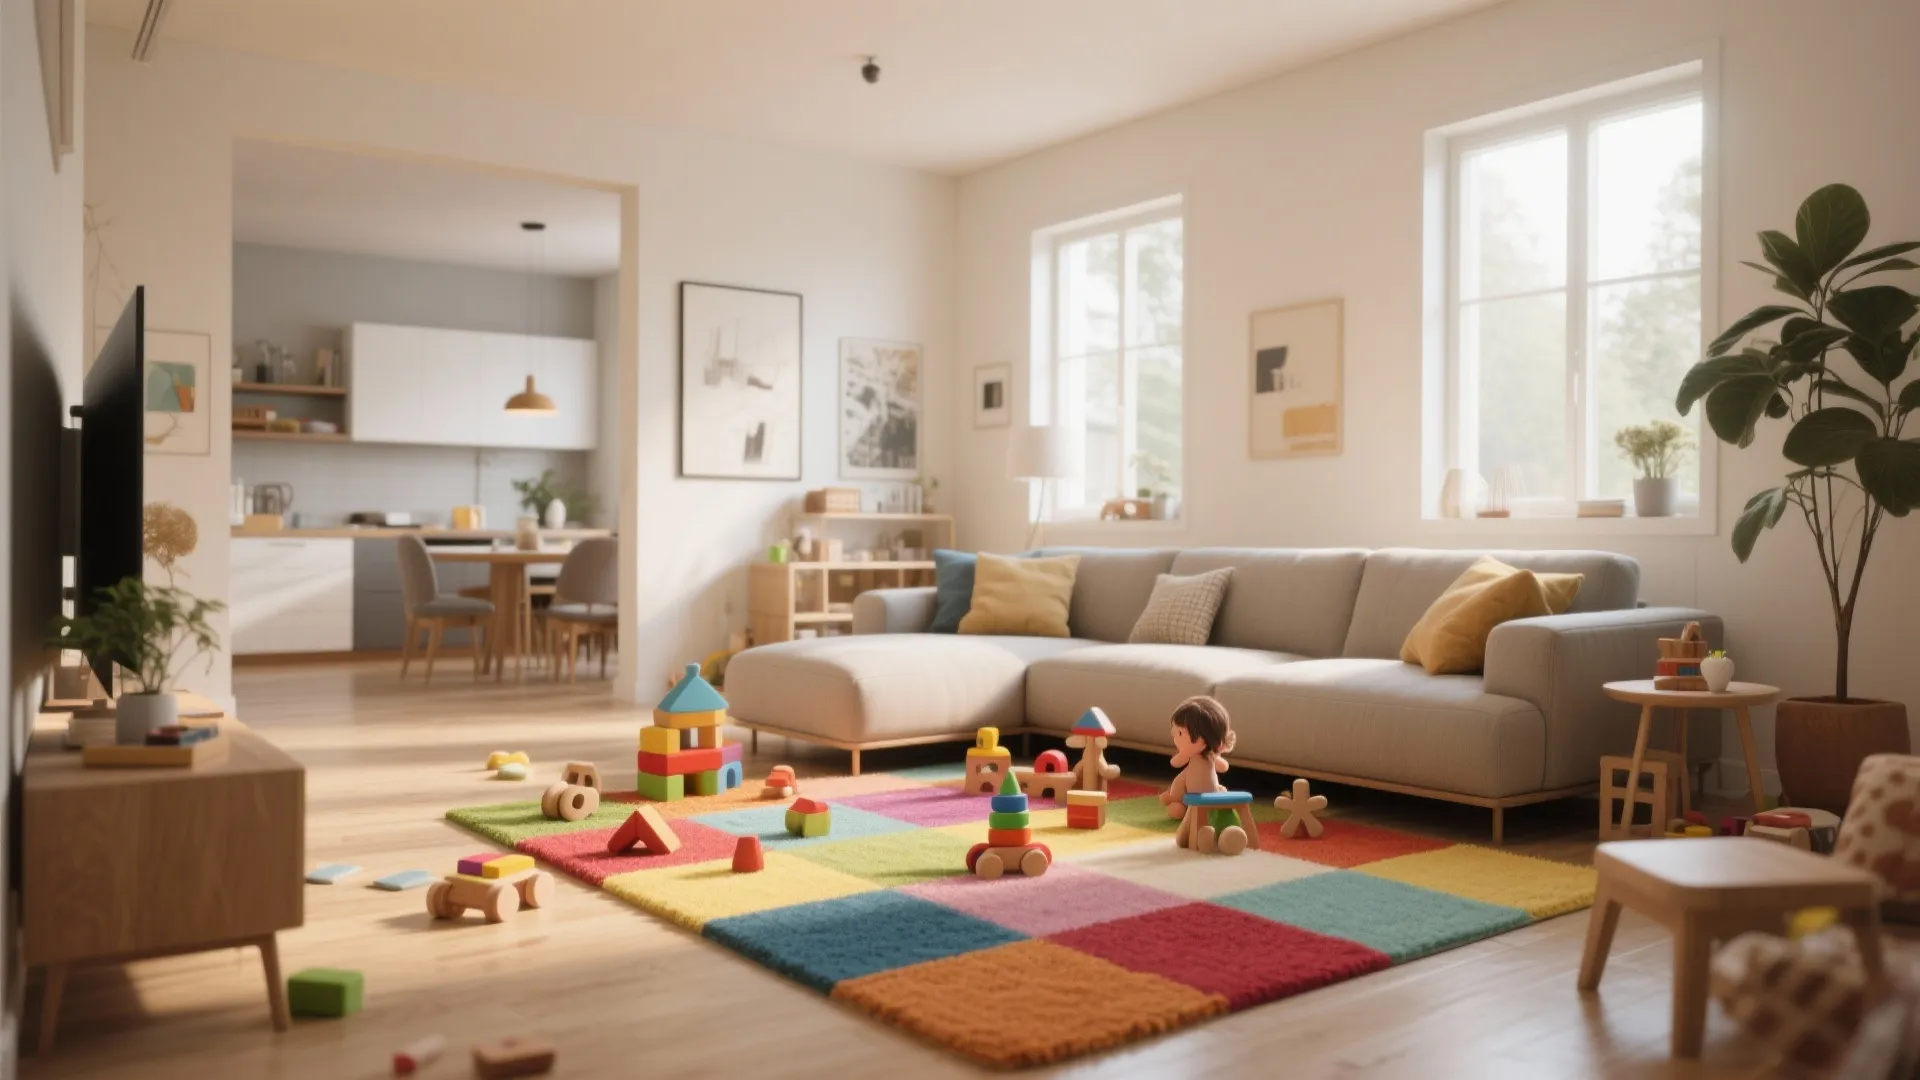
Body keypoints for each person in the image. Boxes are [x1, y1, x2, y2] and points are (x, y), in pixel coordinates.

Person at [1159, 695, 1236, 820]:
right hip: (1188, 793)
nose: (1175, 737)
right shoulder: (1189, 755)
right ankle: (1173, 798)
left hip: (1211, 793)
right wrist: (1185, 753)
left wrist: (1216, 751)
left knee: (1221, 792)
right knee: (1180, 783)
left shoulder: (1210, 756)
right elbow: (1175, 762)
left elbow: (1223, 767)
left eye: (1180, 733)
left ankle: (1214, 803)